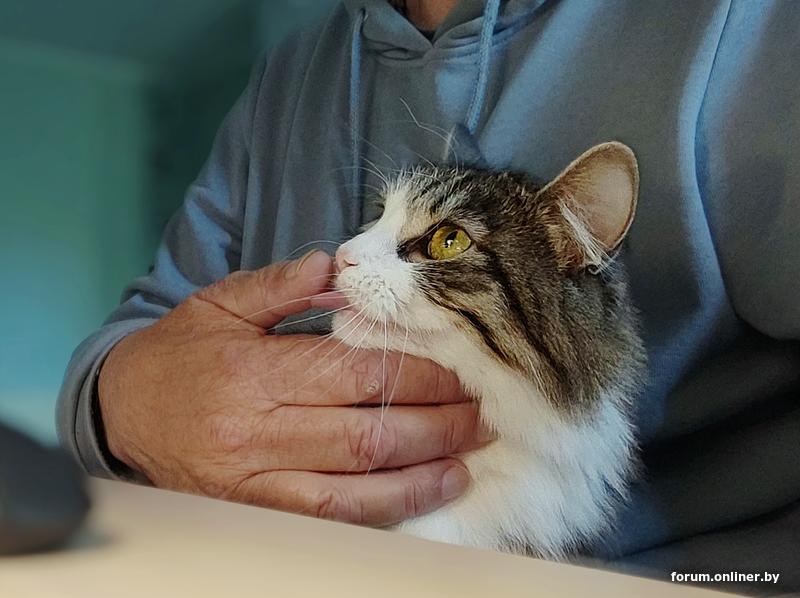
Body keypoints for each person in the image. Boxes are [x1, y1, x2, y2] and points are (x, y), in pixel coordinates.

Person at [58, 0, 800, 594]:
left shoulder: (752, 26)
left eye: (443, 242)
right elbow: (133, 338)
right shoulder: (287, 72)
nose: (345, 256)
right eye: (375, 220)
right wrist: (128, 398)